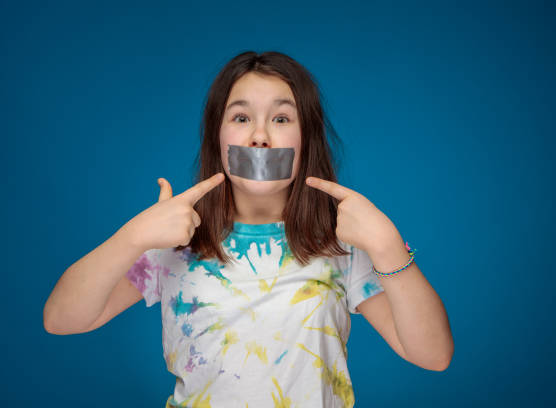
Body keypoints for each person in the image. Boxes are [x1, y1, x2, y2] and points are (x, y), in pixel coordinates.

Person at [43, 51, 454, 407]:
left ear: (305, 140)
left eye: (280, 118)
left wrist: (387, 246)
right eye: (241, 117)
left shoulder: (339, 245)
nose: (259, 135)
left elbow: (433, 355)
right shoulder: (173, 241)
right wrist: (133, 236)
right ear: (217, 137)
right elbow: (61, 318)